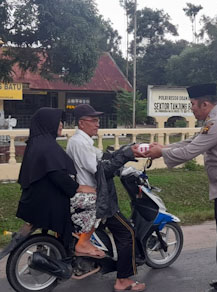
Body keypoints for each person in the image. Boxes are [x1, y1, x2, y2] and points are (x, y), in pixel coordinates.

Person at [145, 83, 217, 292]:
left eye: (192, 104)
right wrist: (164, 148)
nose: (191, 108)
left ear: (205, 104)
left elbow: (191, 151)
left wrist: (161, 153)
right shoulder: (215, 118)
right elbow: (193, 141)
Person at [65, 104, 147, 292]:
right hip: (97, 199)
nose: (97, 124)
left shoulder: (82, 142)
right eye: (93, 120)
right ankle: (123, 280)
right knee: (127, 233)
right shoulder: (80, 143)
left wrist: (125, 154)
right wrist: (125, 155)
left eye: (97, 120)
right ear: (81, 123)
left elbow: (102, 157)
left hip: (91, 195)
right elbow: (102, 170)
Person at [13, 108, 95, 250]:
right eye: (58, 121)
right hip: (50, 201)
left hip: (37, 198)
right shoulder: (46, 146)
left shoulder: (38, 142)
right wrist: (78, 188)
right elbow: (57, 174)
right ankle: (83, 243)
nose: (61, 124)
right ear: (47, 123)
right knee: (99, 202)